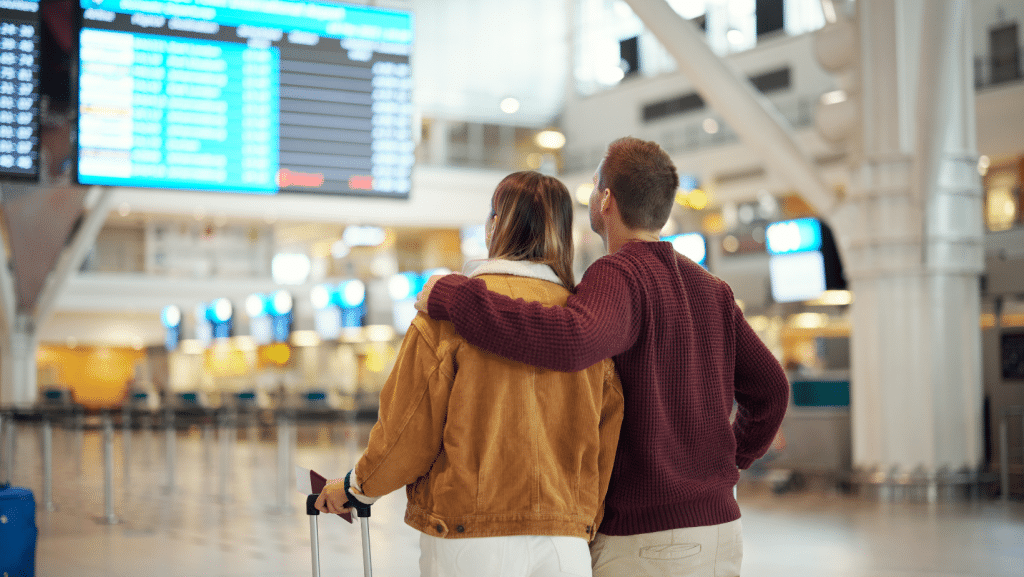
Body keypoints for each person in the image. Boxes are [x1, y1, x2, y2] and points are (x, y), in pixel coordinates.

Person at [416, 137, 789, 576]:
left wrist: (457, 295)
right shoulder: (712, 289)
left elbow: (571, 340)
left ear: (606, 199)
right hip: (721, 528)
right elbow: (772, 389)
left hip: (647, 539)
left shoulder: (619, 273)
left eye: (595, 186)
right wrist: (729, 462)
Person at [316, 171, 624, 577]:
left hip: (469, 536)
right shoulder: (584, 324)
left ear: (494, 226)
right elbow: (606, 441)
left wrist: (356, 488)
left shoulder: (446, 315)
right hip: (564, 542)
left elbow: (407, 433)